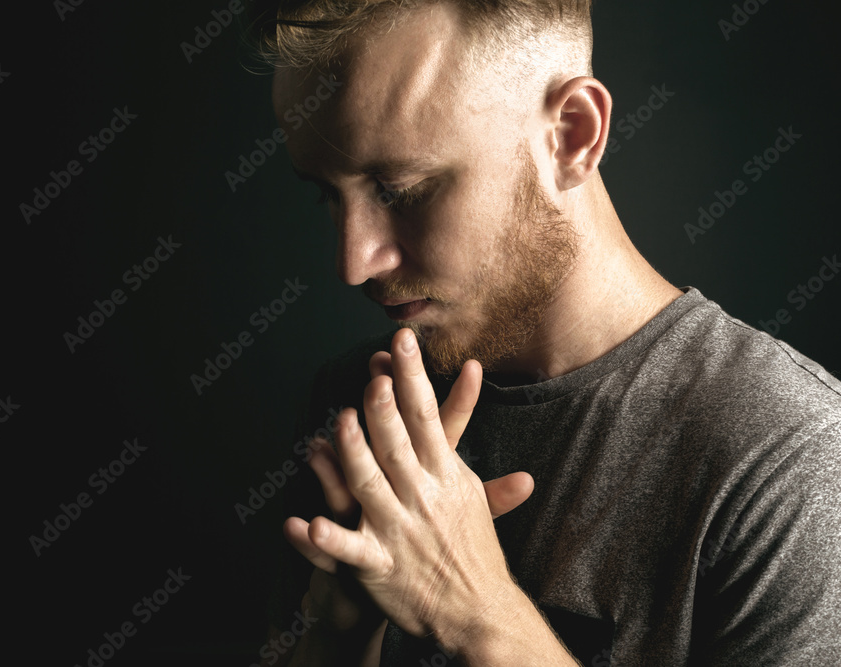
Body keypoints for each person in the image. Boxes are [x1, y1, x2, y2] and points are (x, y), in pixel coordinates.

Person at [250, 1, 841, 664]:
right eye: (327, 195)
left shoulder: (791, 462)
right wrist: (336, 637)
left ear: (572, 135)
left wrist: (481, 617)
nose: (353, 260)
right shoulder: (357, 404)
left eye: (399, 189)